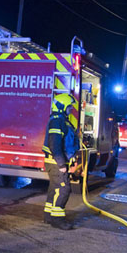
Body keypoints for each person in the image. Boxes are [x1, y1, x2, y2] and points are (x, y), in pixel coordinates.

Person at [42, 93, 79, 231]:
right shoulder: (57, 121)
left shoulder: (60, 120)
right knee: (63, 189)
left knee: (54, 188)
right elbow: (54, 145)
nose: (70, 109)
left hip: (55, 161)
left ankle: (49, 216)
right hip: (56, 162)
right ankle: (57, 219)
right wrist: (62, 164)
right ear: (62, 106)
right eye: (69, 107)